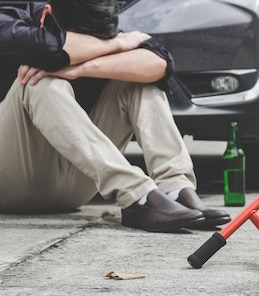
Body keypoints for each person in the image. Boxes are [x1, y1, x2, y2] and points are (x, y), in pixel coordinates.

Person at [0, 0, 231, 232]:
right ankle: (138, 194)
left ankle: (174, 188)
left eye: (102, 40)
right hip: (9, 181)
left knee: (139, 81)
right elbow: (47, 48)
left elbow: (160, 64)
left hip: (72, 191)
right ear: (46, 15)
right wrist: (116, 44)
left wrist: (79, 68)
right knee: (39, 82)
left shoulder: (97, 22)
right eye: (86, 41)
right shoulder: (11, 20)